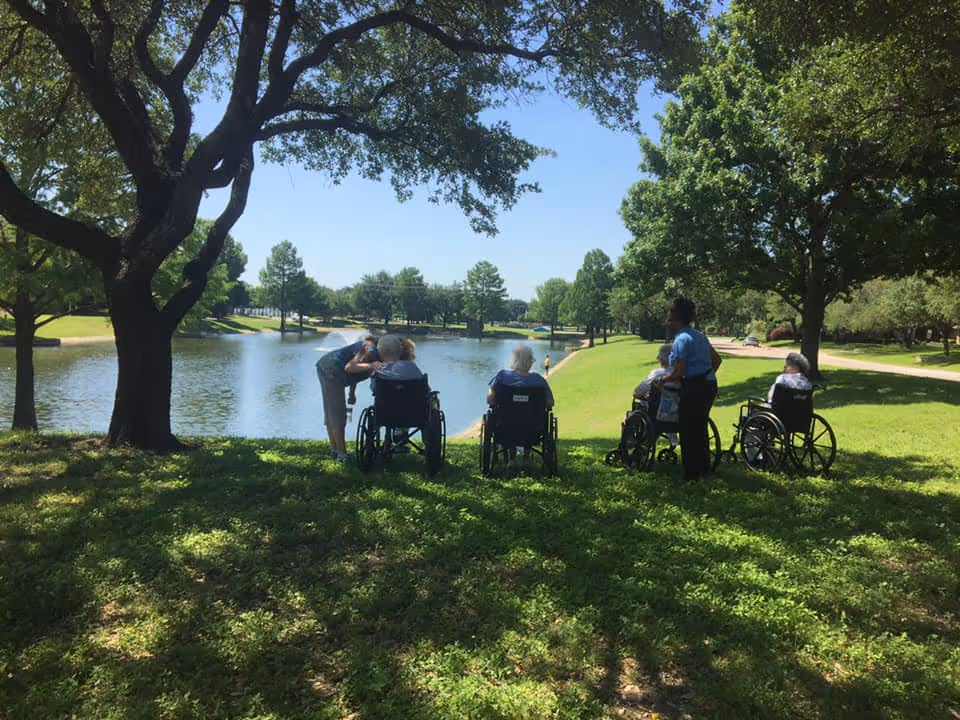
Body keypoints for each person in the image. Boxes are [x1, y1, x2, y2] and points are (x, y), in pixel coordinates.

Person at [656, 297, 722, 481]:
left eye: (669, 320)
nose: (667, 323)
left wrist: (664, 379)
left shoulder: (681, 340)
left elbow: (679, 370)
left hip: (694, 387)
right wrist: (705, 375)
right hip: (709, 385)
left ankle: (691, 474)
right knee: (700, 427)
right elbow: (717, 361)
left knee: (687, 430)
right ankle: (704, 468)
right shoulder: (699, 336)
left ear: (677, 320)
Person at [315, 335, 381, 461]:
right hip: (332, 370)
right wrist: (371, 366)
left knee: (331, 411)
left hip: (324, 366)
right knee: (337, 413)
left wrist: (352, 393)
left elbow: (355, 371)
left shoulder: (373, 351)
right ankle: (342, 454)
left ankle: (335, 449)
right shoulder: (369, 349)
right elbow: (350, 367)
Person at [373, 335, 425, 452]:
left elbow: (374, 390)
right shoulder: (412, 367)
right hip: (415, 414)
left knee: (392, 401)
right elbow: (425, 389)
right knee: (411, 401)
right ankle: (403, 435)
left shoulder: (380, 370)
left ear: (379, 352)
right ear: (401, 351)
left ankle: (394, 436)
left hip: (385, 413)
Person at [633, 343, 679, 447]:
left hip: (658, 415)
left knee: (629, 416)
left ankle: (632, 446)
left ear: (662, 359)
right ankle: (673, 439)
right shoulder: (683, 374)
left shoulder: (657, 374)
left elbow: (638, 391)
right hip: (679, 414)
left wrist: (638, 395)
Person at [487, 343, 555, 408]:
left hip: (504, 419)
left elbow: (489, 399)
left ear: (514, 360)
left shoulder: (501, 376)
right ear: (530, 362)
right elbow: (550, 402)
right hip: (533, 419)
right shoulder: (539, 380)